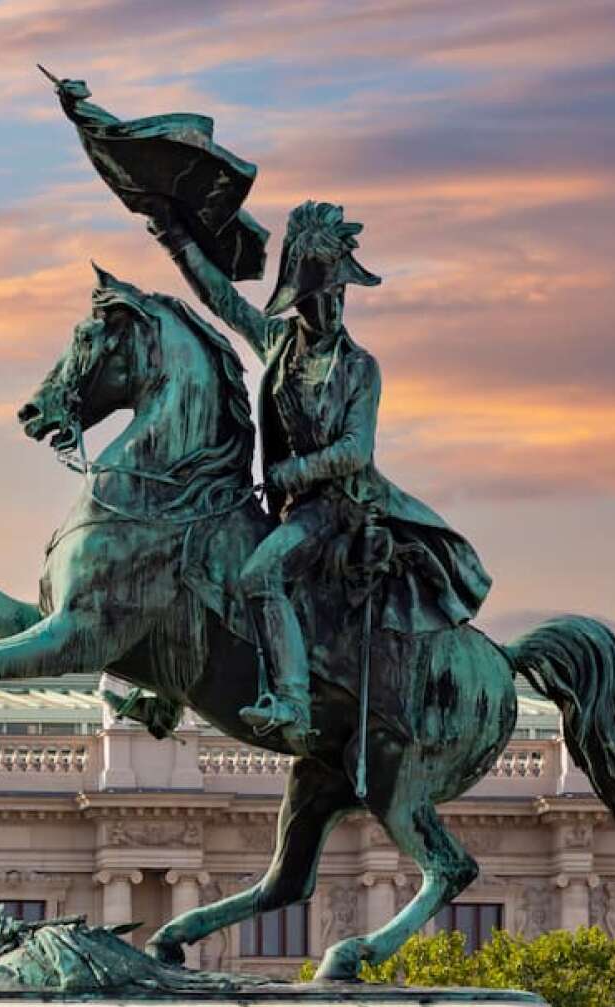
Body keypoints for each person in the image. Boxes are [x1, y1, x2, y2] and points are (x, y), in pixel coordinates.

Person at [145, 199, 492, 749]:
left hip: (339, 508)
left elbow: (356, 449)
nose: (332, 305)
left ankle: (292, 700)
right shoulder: (279, 343)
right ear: (299, 297)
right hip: (288, 506)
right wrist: (173, 236)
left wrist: (294, 473)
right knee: (200, 556)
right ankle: (168, 690)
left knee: (259, 575)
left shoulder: (359, 367)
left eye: (338, 293)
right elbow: (223, 300)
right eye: (322, 294)